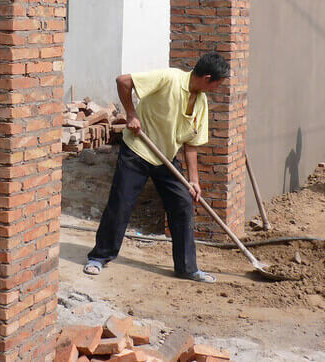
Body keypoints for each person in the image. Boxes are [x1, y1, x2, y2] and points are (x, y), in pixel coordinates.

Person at [84, 53, 229, 283]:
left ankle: (186, 268)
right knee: (121, 203)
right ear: (207, 78)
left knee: (182, 203)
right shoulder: (170, 78)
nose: (217, 89)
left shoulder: (201, 103)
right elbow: (123, 81)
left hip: (166, 159)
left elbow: (191, 144)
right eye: (217, 84)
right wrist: (131, 113)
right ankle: (99, 257)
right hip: (138, 150)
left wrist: (194, 181)